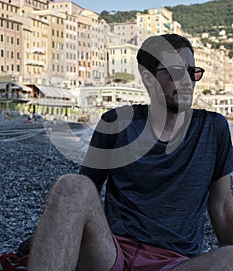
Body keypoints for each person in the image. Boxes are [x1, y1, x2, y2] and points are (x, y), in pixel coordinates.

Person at [28, 34, 233, 271]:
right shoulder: (116, 123)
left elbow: (223, 205)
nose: (187, 81)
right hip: (111, 254)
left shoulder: (212, 128)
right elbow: (84, 193)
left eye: (191, 72)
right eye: (176, 71)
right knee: (71, 185)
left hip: (175, 263)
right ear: (148, 79)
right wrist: (49, 238)